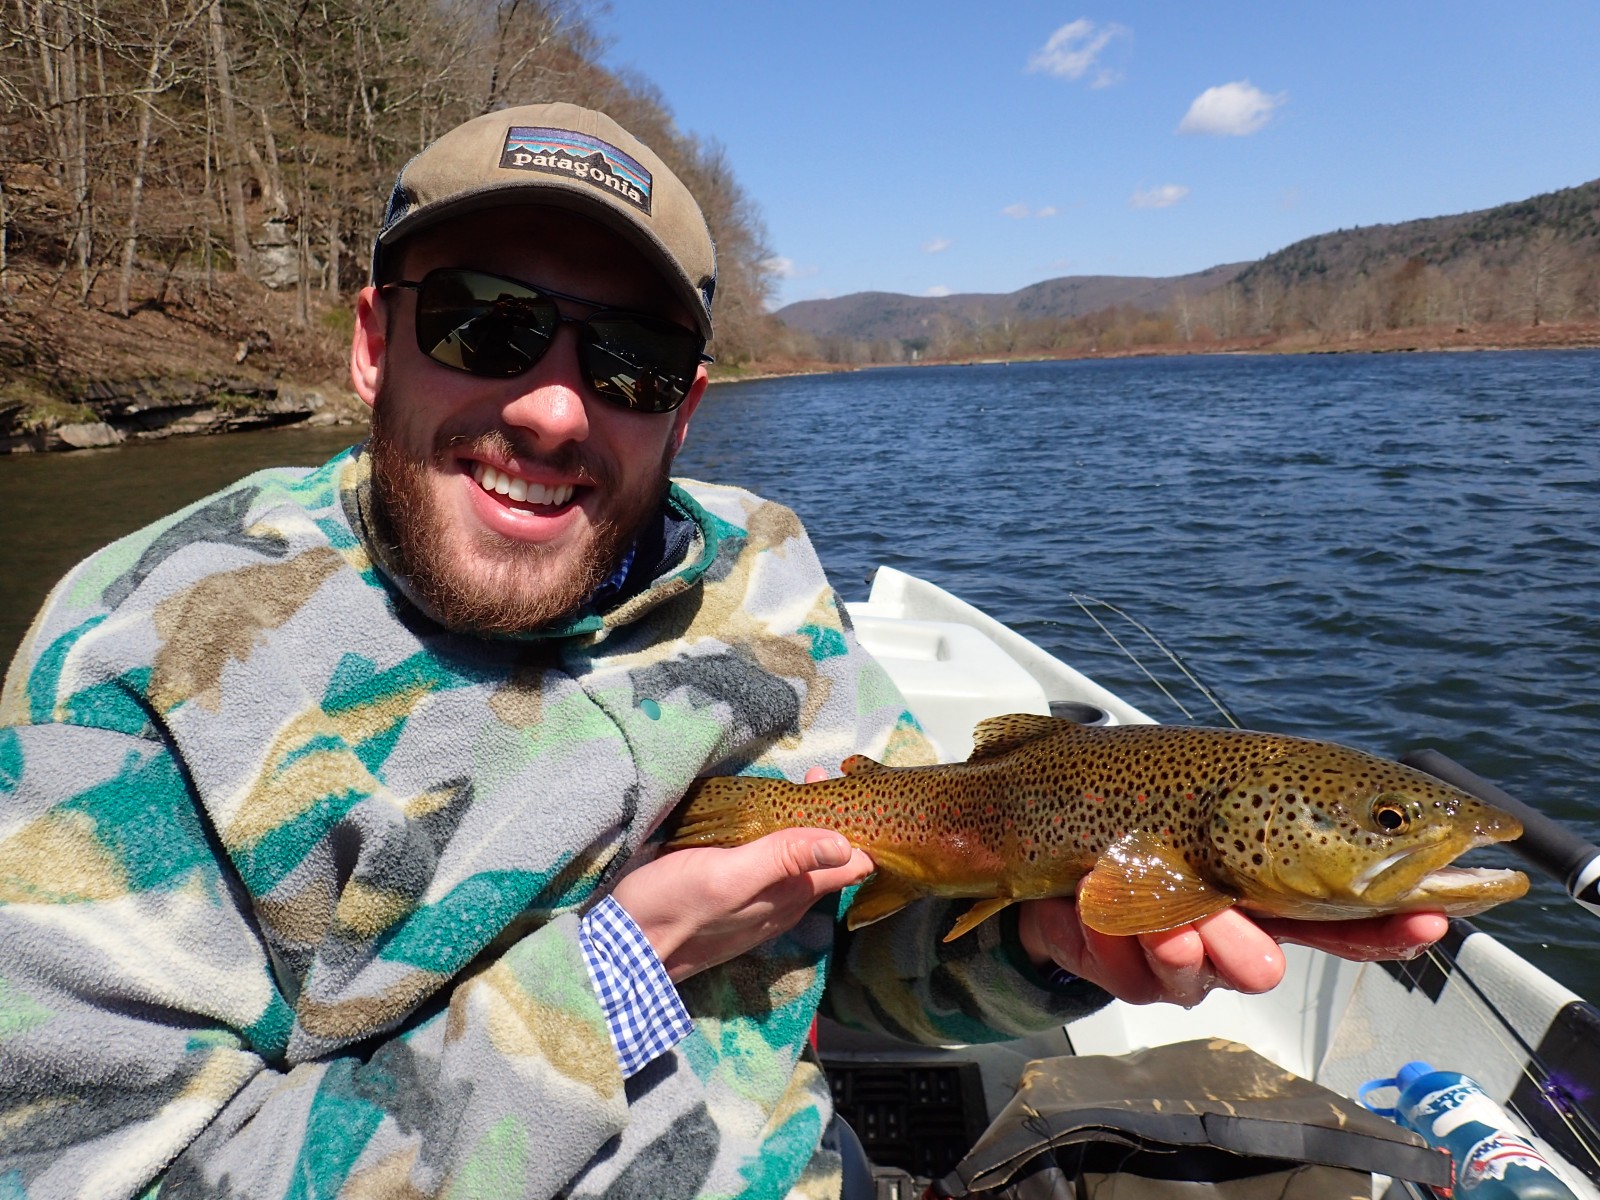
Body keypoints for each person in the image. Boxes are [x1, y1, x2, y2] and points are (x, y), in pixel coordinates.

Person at [0, 102, 1443, 1199]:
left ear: (683, 406)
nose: (558, 412)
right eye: (489, 326)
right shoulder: (144, 663)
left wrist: (1047, 959)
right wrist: (625, 965)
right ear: (373, 344)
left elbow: (839, 983)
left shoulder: (758, 580)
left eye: (621, 362)